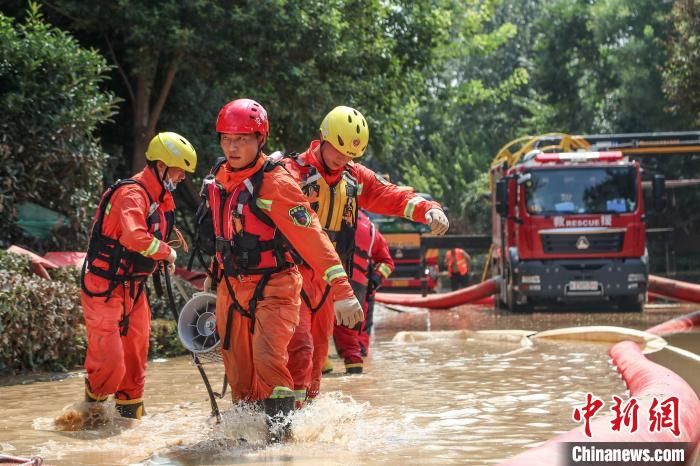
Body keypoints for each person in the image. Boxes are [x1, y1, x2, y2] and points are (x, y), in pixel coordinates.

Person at [200, 99, 362, 438]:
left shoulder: (277, 183)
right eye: (227, 138)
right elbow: (222, 235)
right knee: (240, 373)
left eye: (243, 138)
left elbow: (313, 239)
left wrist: (343, 292)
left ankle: (281, 446)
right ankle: (244, 444)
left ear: (261, 139)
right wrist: (212, 280)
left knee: (269, 360)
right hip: (232, 287)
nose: (233, 145)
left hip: (276, 285)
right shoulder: (218, 178)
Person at [281, 105, 449, 404]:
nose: (342, 159)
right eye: (338, 151)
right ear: (323, 138)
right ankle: (283, 419)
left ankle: (305, 418)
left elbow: (393, 196)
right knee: (301, 347)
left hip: (329, 279)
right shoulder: (290, 173)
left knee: (319, 352)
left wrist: (429, 209)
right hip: (290, 273)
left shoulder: (353, 176)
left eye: (350, 155)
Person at [80, 132, 197, 419]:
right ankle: (90, 413)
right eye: (179, 169)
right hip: (103, 288)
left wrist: (161, 259)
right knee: (110, 365)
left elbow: (144, 241)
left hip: (134, 289)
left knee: (134, 367)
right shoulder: (131, 193)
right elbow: (135, 237)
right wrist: (165, 253)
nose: (182, 176)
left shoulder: (160, 196)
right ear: (161, 166)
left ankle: (129, 431)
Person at [332, 210, 394, 373]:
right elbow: (387, 262)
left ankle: (319, 374)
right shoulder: (371, 227)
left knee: (313, 326)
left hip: (328, 276)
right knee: (351, 332)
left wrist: (374, 280)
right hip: (358, 283)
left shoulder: (329, 210)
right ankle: (355, 372)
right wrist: (375, 279)